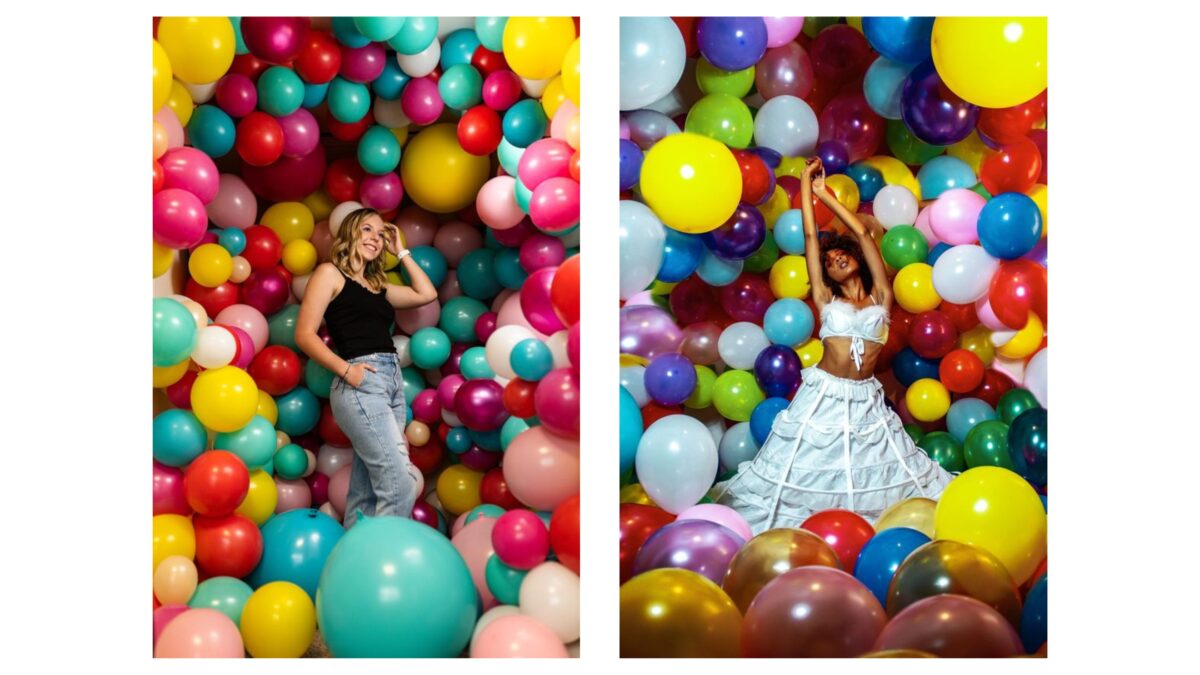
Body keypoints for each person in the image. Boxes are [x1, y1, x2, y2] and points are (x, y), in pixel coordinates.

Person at [715, 158, 953, 534]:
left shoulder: (881, 299)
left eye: (840, 255)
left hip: (864, 396)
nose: (836, 258)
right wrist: (809, 194)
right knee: (808, 471)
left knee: (870, 470)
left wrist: (827, 194)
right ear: (828, 274)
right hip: (824, 394)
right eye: (830, 262)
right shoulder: (827, 299)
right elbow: (812, 239)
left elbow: (862, 233)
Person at [296, 207, 438, 528]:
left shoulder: (379, 286)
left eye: (380, 232)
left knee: (367, 493)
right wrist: (347, 371)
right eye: (366, 230)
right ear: (349, 234)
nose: (374, 238)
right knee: (399, 483)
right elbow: (304, 334)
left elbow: (425, 293)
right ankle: (380, 561)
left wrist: (400, 249)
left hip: (391, 384)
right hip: (361, 381)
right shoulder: (330, 274)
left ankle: (350, 568)